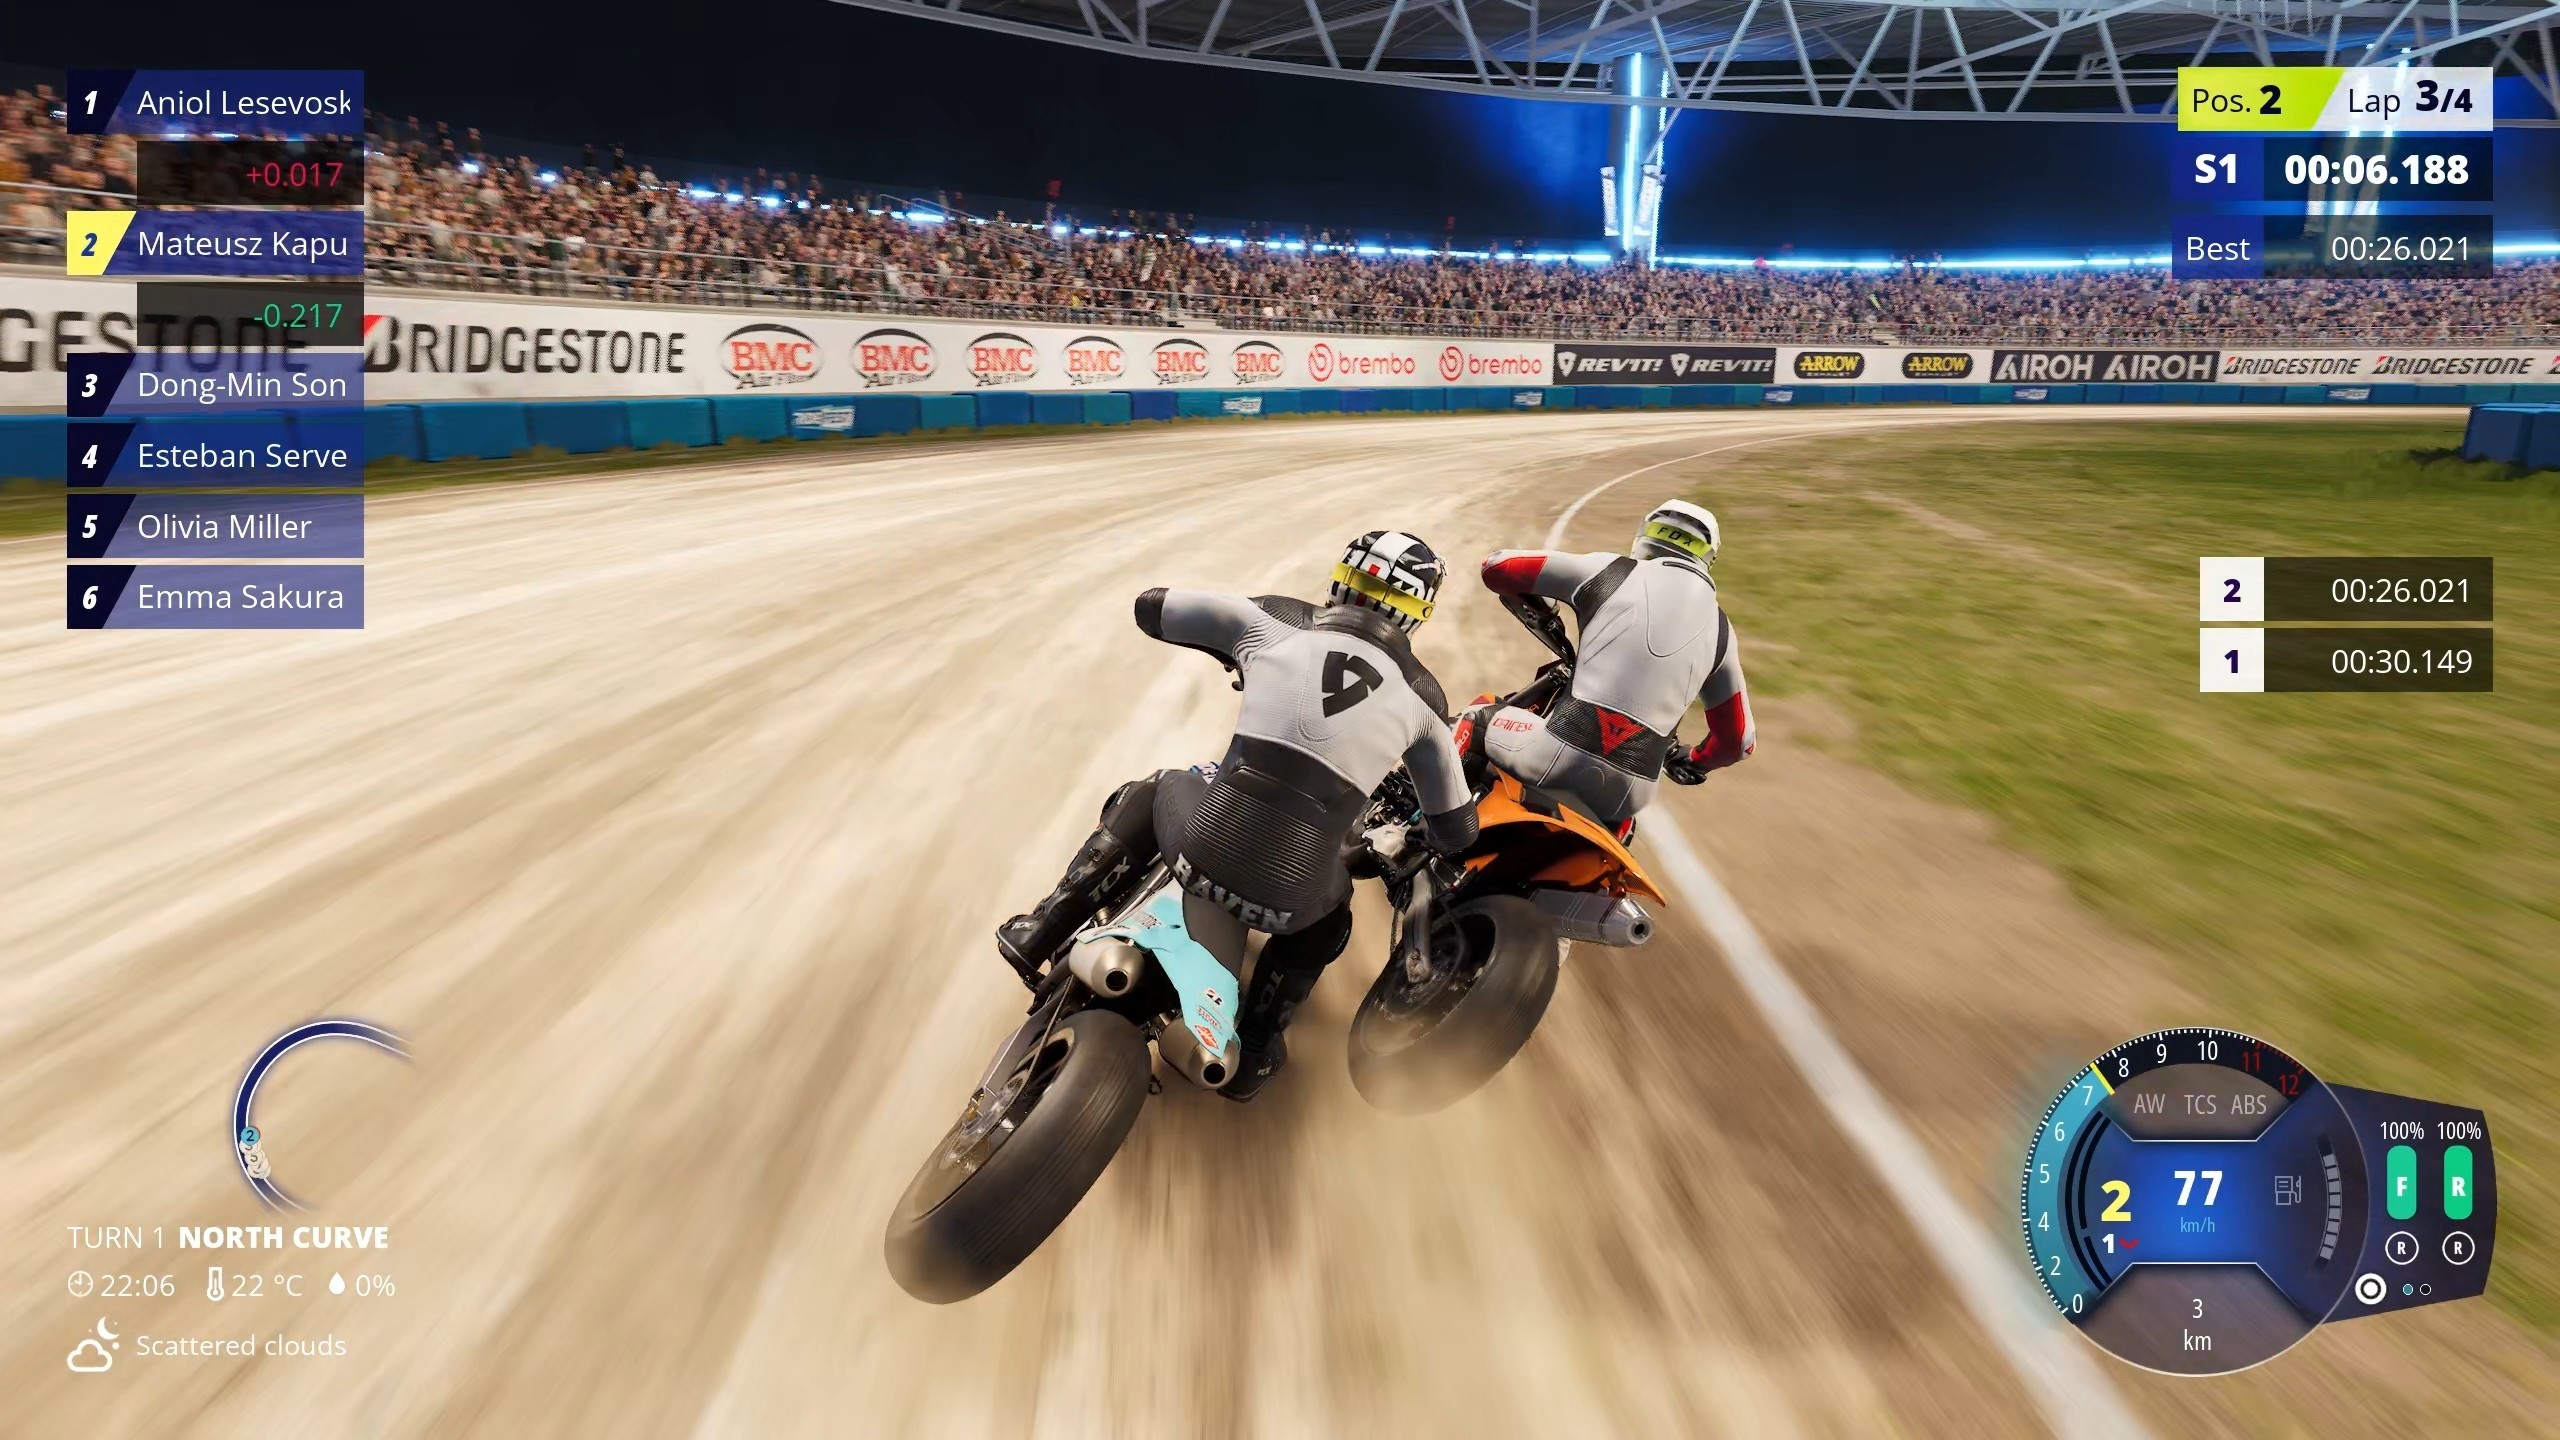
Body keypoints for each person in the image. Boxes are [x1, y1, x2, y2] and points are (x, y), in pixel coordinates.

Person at [995, 530, 1478, 1101]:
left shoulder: (1274, 620)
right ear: (1419, 613)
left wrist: (1230, 642)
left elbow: (1151, 607)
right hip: (1287, 904)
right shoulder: (1426, 699)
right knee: (1332, 917)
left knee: (1161, 787)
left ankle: (1043, 928)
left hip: (1198, 852)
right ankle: (1255, 1048)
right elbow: (1458, 831)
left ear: (1341, 579)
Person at [1467, 499, 1754, 834]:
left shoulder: (1609, 570)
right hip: (1631, 794)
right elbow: (1740, 741)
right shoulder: (1722, 632)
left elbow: (1497, 566)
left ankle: (1429, 828)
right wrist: (1694, 761)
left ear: (1645, 535)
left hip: (1553, 755)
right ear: (1708, 557)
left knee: (1477, 716)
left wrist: (1544, 613)